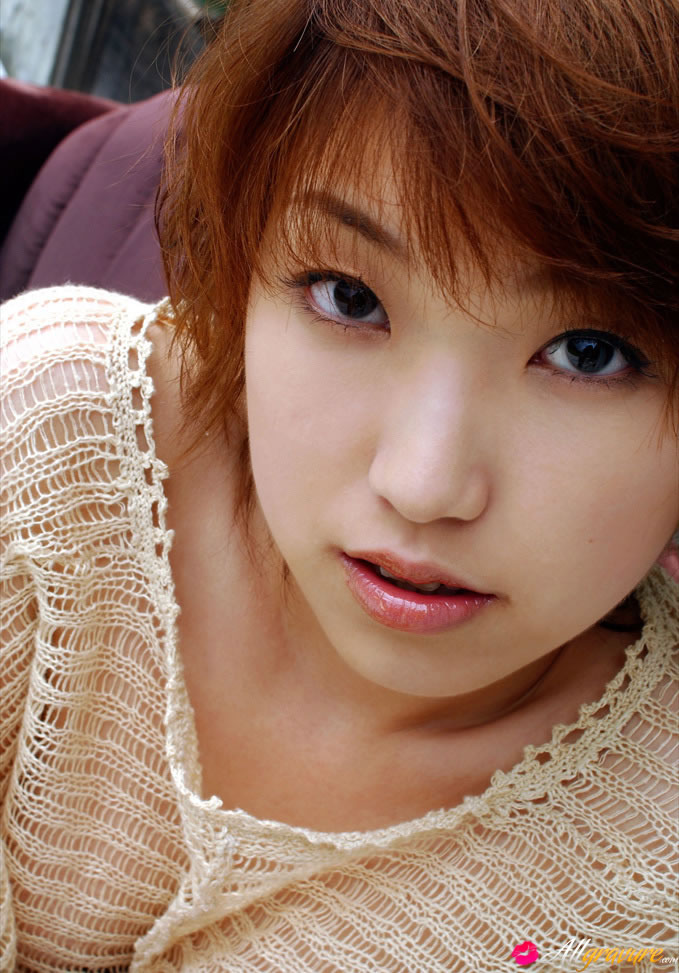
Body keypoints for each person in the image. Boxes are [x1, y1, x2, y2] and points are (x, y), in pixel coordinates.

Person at [1, 0, 677, 969]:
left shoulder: (648, 880)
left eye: (589, 352)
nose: (422, 483)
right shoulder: (46, 449)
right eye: (349, 297)